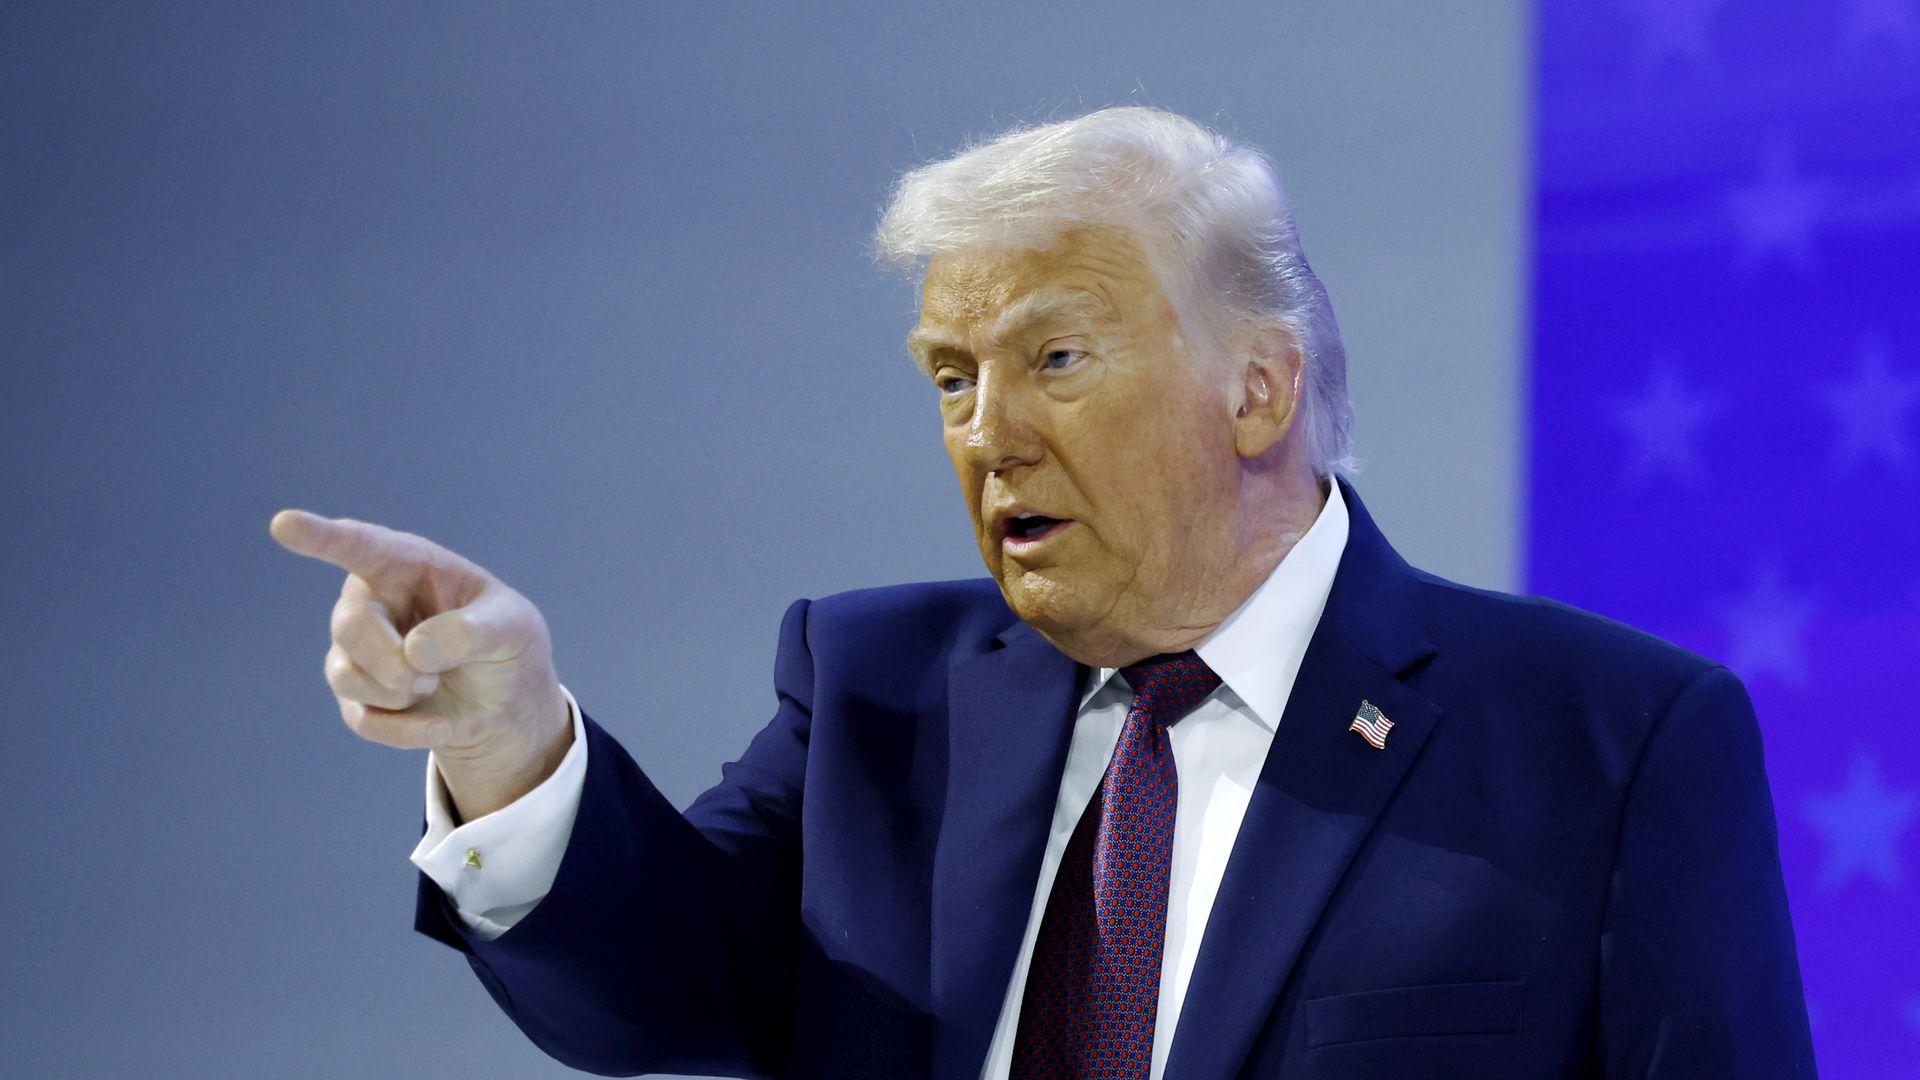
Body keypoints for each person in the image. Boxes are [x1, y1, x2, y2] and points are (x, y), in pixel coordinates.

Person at [270, 107, 1816, 1079]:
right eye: (951, 376)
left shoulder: (1606, 741)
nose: (986, 431)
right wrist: (513, 739)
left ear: (1258, 389)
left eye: (1055, 360)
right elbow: (647, 997)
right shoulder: (878, 691)